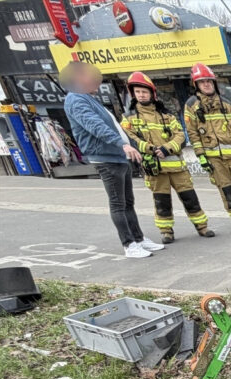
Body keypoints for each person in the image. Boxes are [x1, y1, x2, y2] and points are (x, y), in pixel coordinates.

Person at [60, 61, 164, 259]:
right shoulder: (76, 99)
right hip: (106, 158)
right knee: (118, 203)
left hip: (118, 157)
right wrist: (121, 144)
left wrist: (131, 147)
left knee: (128, 202)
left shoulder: (88, 99)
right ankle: (129, 244)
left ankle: (139, 239)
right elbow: (95, 126)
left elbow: (113, 126)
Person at [121, 71, 215, 244]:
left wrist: (167, 148)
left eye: (144, 92)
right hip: (156, 170)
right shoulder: (129, 118)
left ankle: (202, 227)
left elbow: (180, 135)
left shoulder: (167, 116)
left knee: (190, 198)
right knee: (162, 203)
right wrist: (149, 148)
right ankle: (166, 232)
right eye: (138, 92)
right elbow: (129, 139)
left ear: (152, 94)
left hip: (177, 167)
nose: (141, 95)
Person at [184, 63, 231, 232]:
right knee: (228, 192)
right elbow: (193, 133)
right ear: (196, 85)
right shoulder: (192, 105)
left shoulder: (227, 103)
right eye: (202, 82)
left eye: (209, 81)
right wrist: (201, 156)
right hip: (214, 158)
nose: (206, 84)